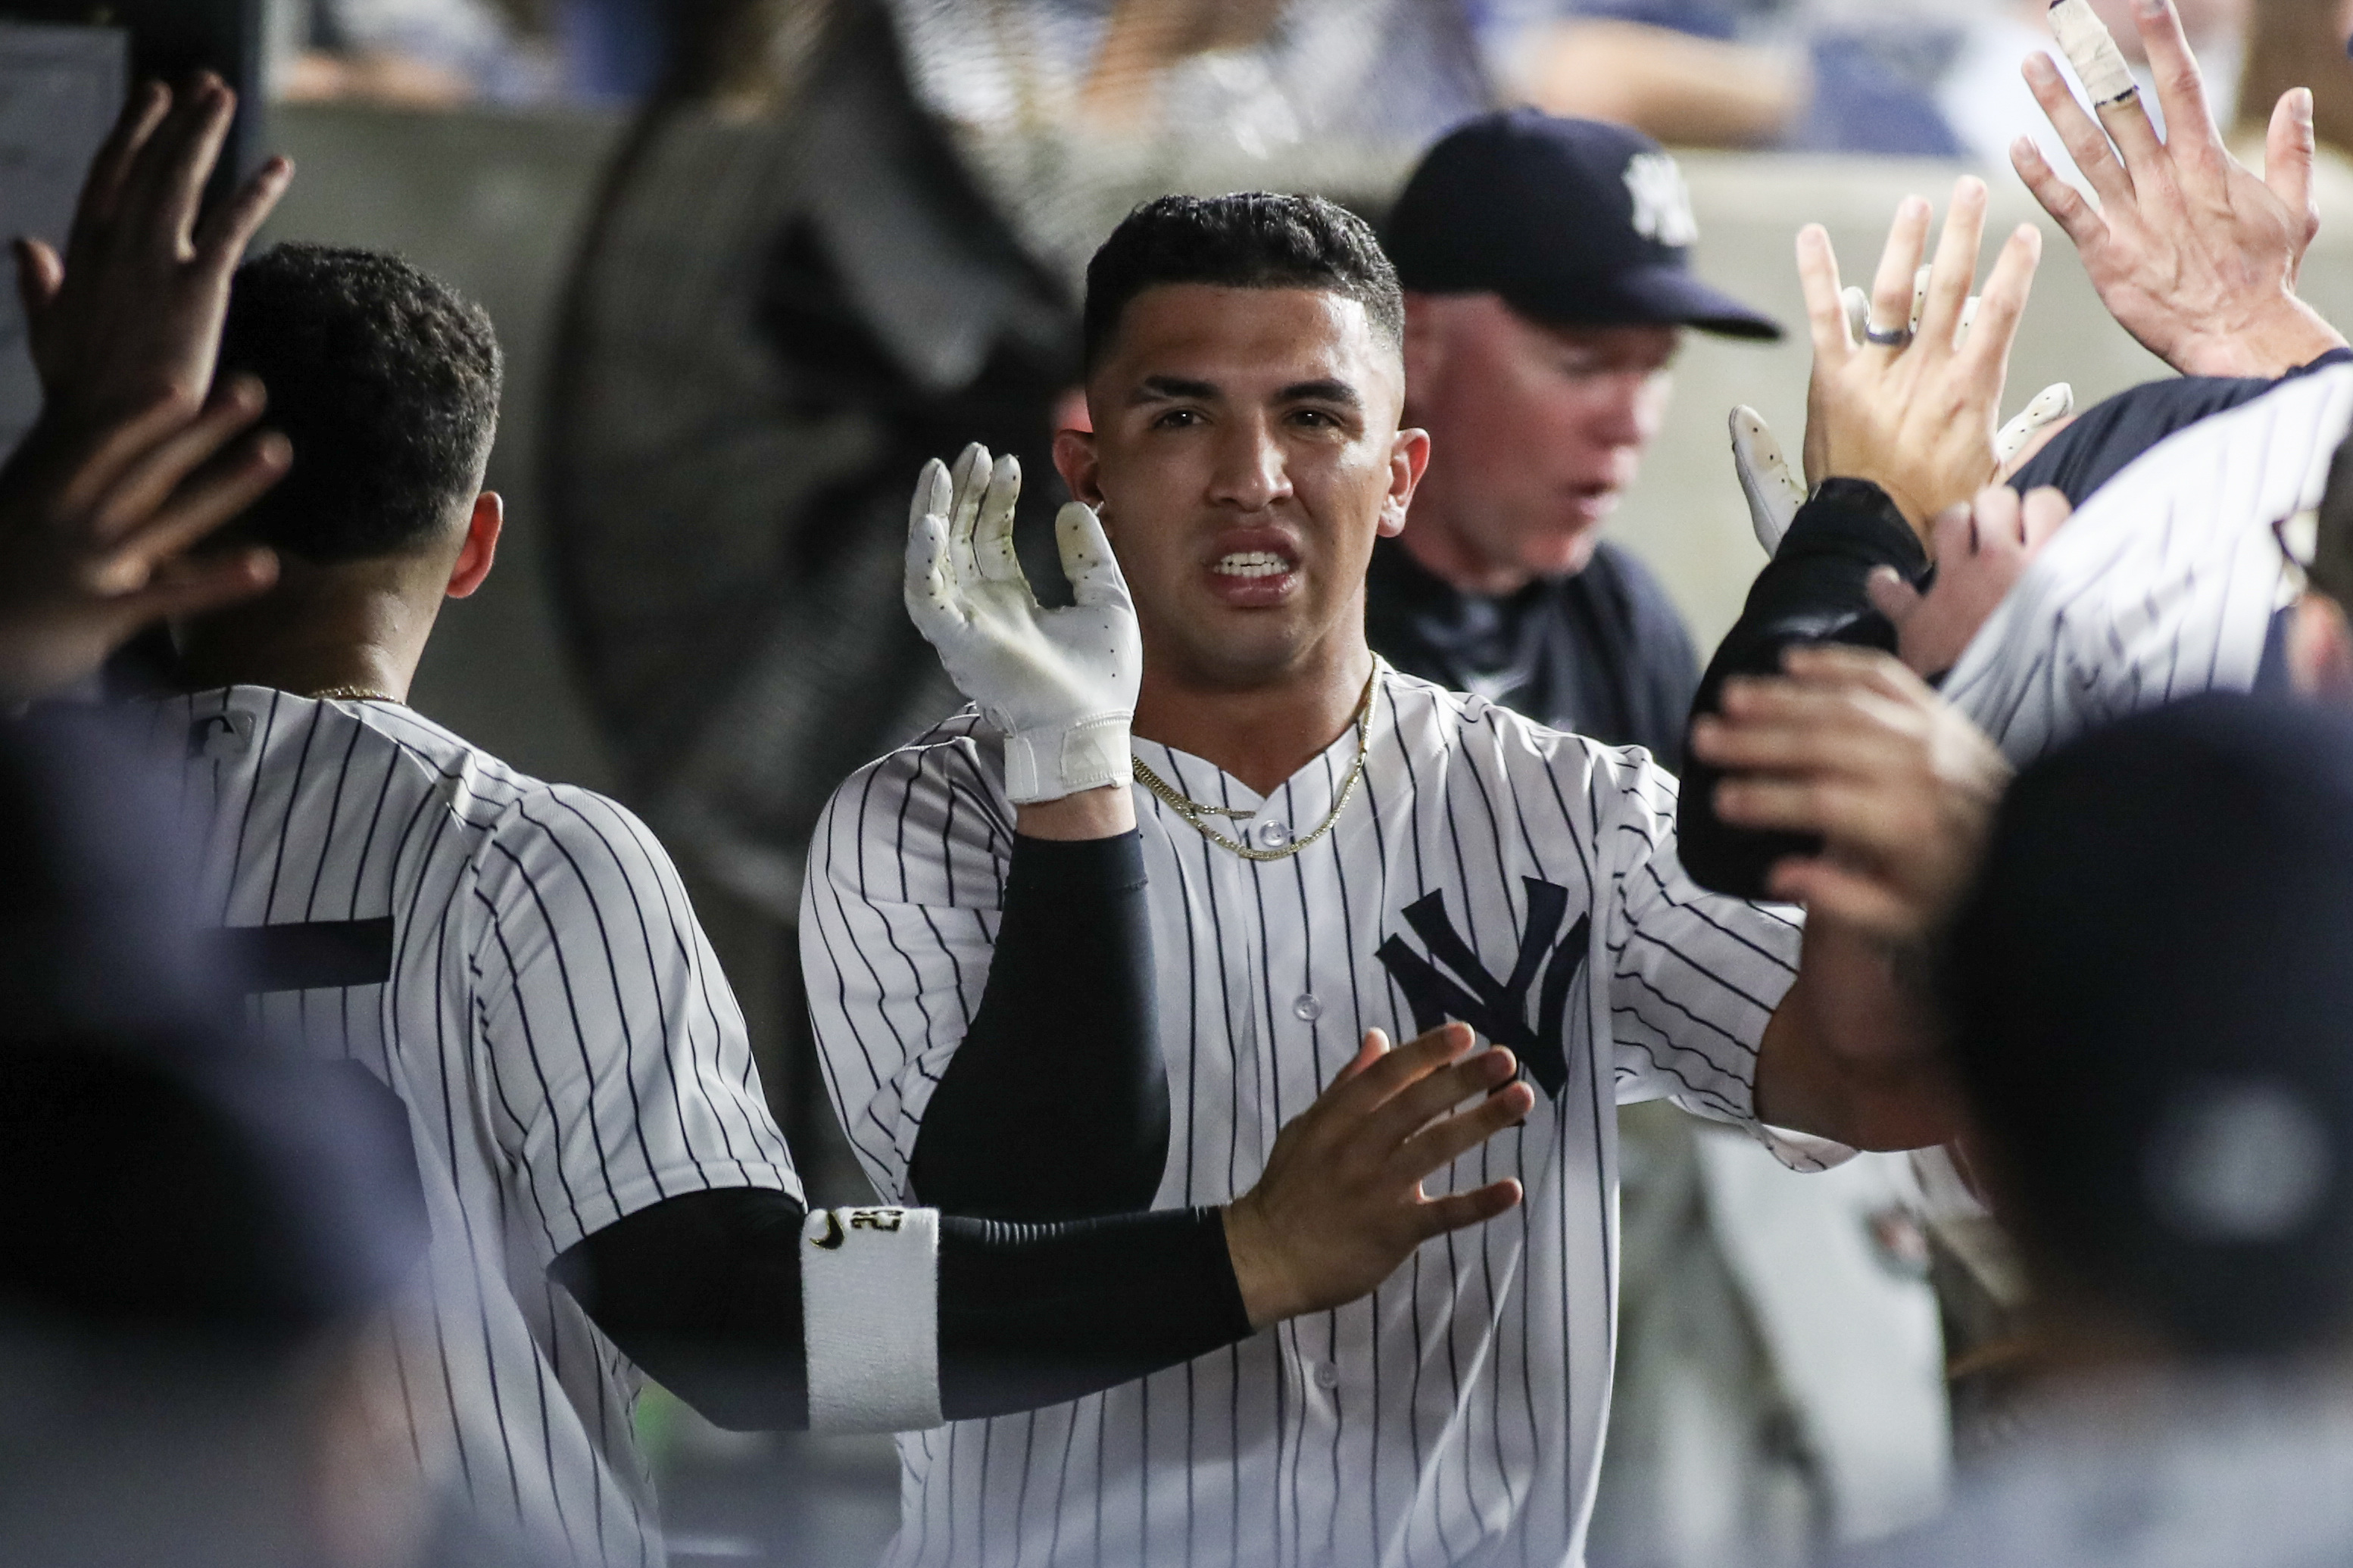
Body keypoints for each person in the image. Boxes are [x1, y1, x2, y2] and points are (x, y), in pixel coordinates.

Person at [105, 222, 1531, 1568]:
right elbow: (742, 1327)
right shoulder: (519, 858)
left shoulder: (40, 842)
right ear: (475, 546)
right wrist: (1249, 1257)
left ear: (156, 516)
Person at [801, 189, 1974, 1566]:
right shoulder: (916, 826)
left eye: (1314, 416)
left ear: (1403, 471)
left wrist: (1886, 658)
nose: (1252, 475)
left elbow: (1874, 1077)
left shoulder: (1575, 809)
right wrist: (1070, 769)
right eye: (1180, 417)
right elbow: (983, 1249)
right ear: (1088, 466)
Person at [1374, 109, 1951, 1567]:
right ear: (1415, 346)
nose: (1627, 417)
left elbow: (1725, 950)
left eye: (1652, 370)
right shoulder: (1308, 608)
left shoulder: (1607, 612)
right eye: (1580, 362)